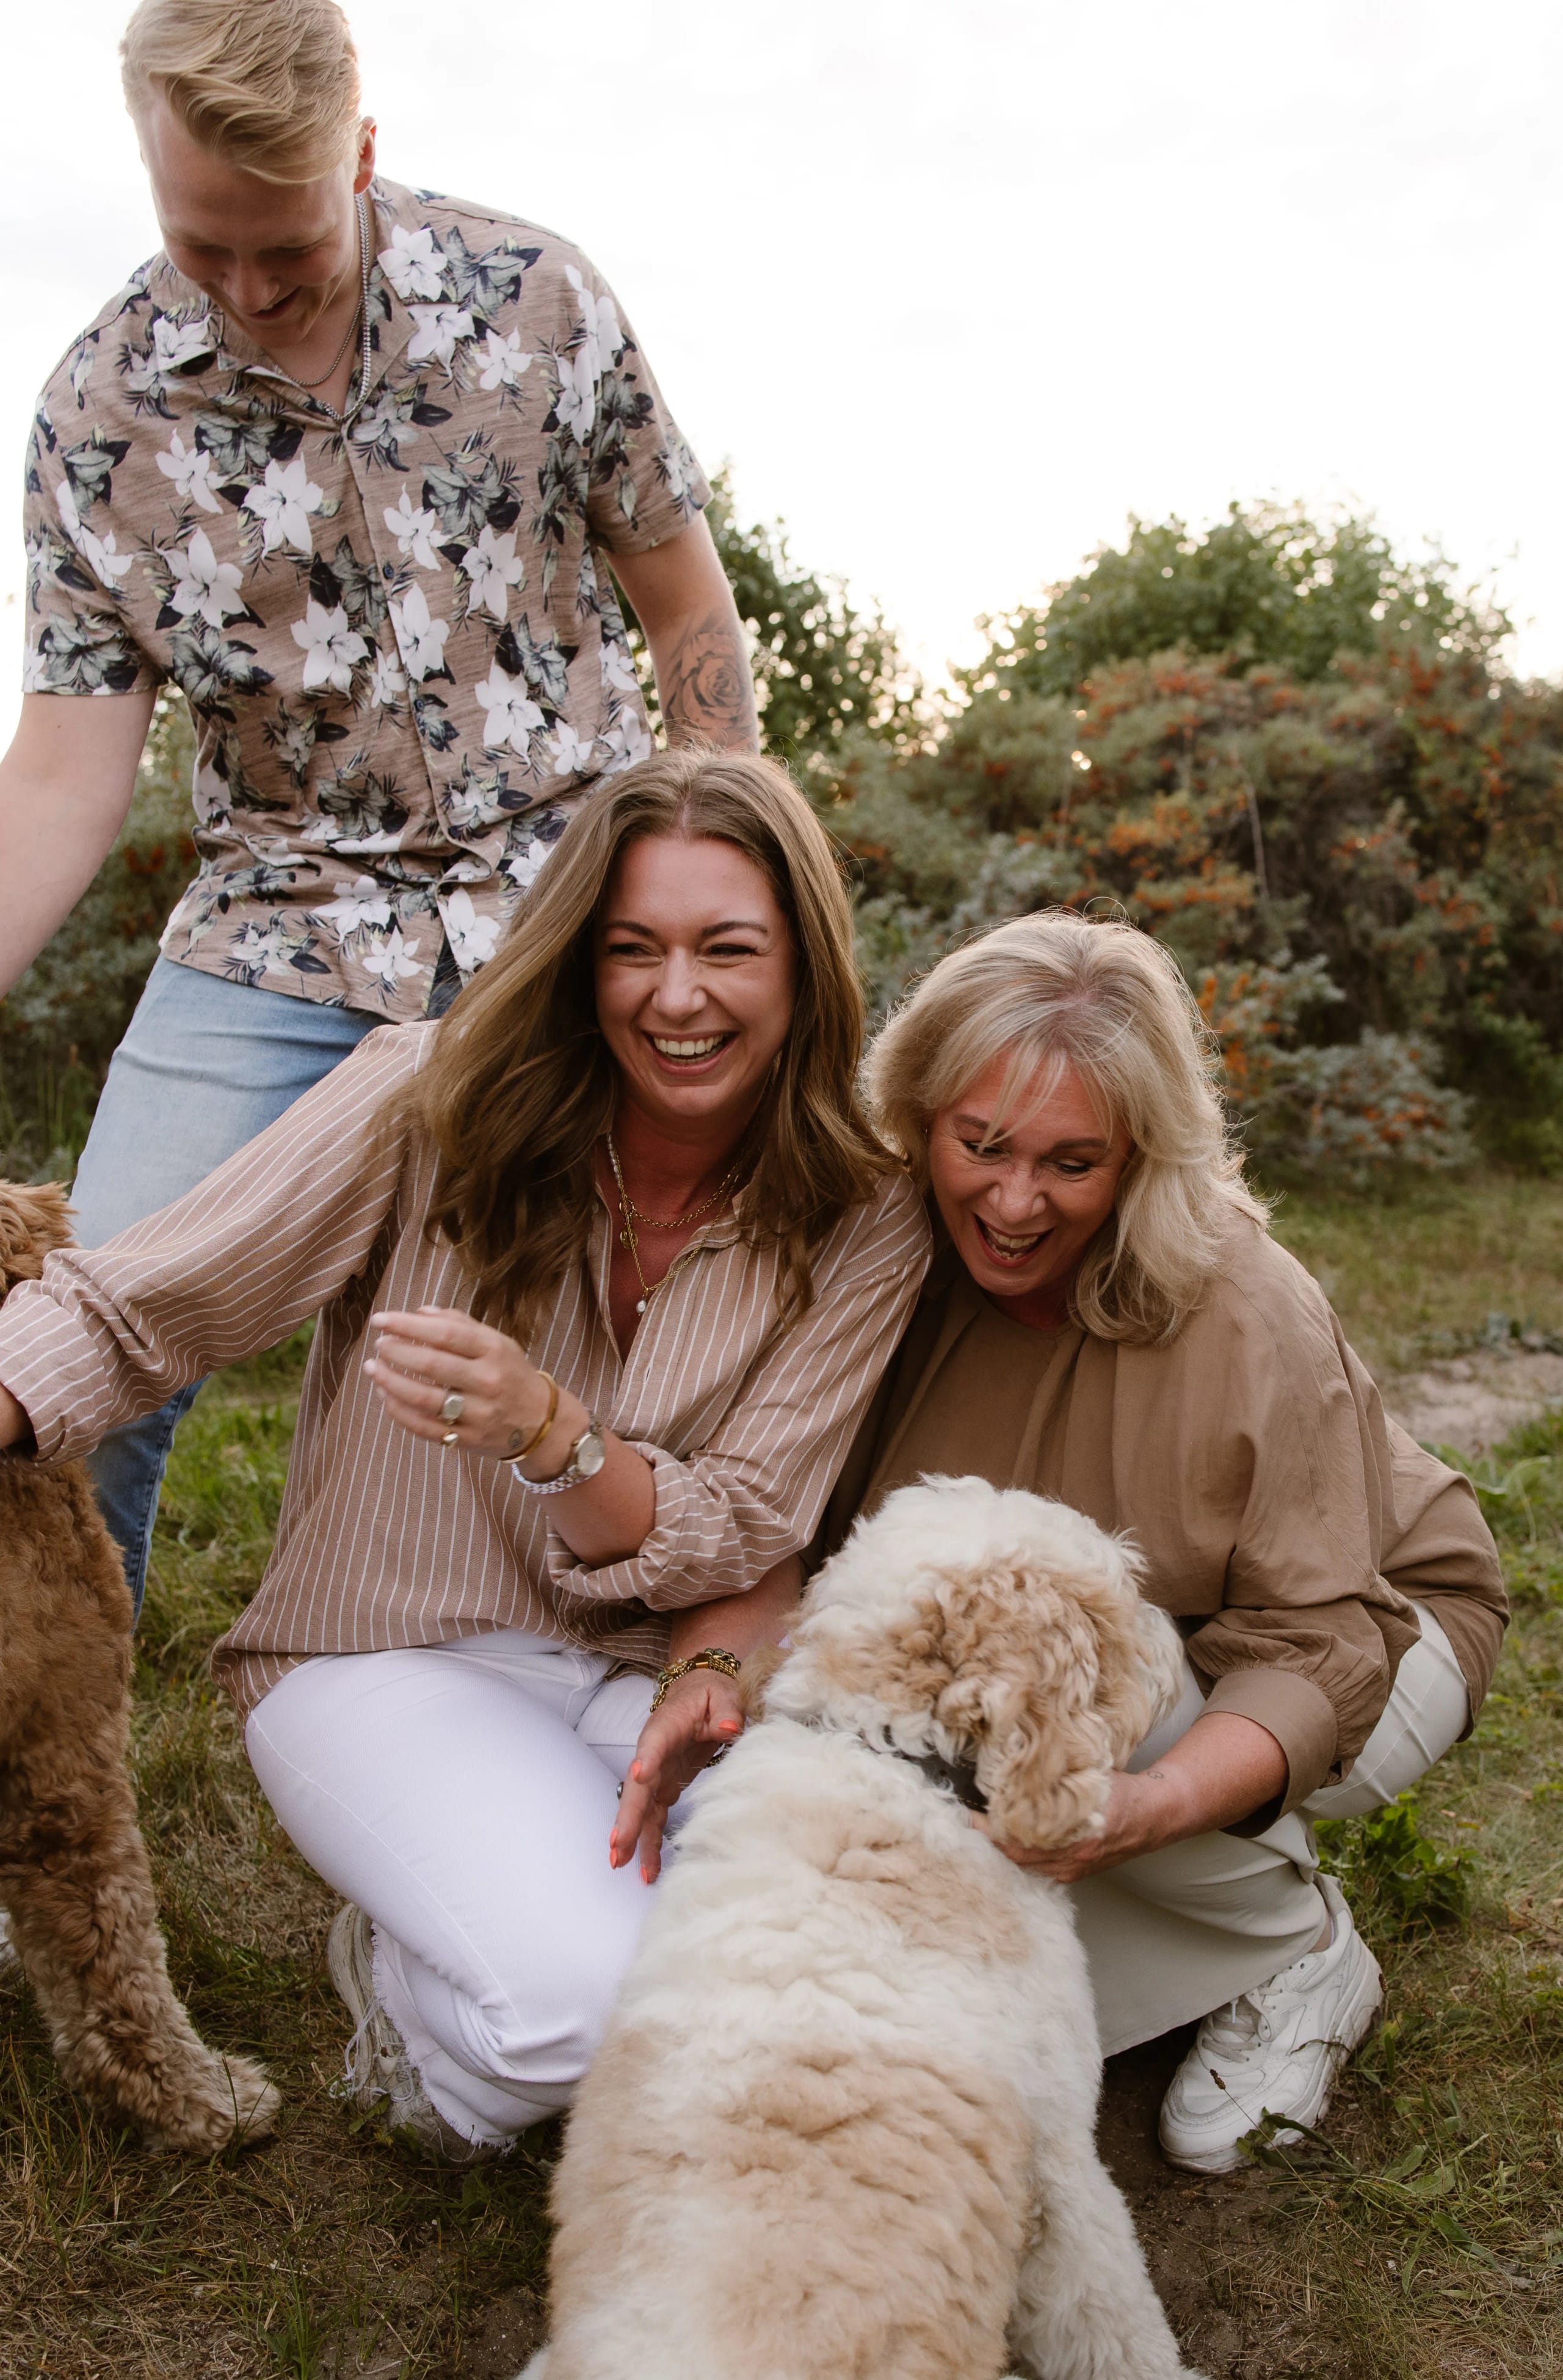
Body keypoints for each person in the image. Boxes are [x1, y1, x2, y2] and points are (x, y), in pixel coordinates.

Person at [0, 751, 930, 2158]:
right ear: (577, 961)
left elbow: (741, 1521)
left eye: (727, 948)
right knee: (592, 2008)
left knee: (851, 1972)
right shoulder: (430, 1092)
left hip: (659, 1663)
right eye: (633, 950)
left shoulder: (867, 1209)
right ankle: (419, 1998)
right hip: (385, 1651)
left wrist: (553, 1436)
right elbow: (150, 1297)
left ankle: (478, 1950)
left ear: (804, 964)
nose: (677, 997)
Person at [1, 0, 757, 1612]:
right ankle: (49, 1805)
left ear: (358, 151)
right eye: (207, 250)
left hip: (579, 898)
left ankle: (656, 1701)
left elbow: (686, 607)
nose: (256, 294)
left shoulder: (539, 303)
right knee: (71, 1350)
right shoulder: (93, 420)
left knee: (670, 1336)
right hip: (278, 927)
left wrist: (737, 875)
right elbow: (67, 770)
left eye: (289, 248)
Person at [617, 908, 1507, 2177]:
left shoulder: (1244, 1306)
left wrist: (1144, 1808)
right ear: (918, 1113)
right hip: (1068, 1637)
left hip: (1359, 1628)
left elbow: (1317, 1639)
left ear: (1138, 1155)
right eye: (977, 1143)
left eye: (1071, 1162)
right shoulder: (873, 1252)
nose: (1014, 1198)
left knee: (1058, 1644)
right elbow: (786, 1528)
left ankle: (1293, 1947)